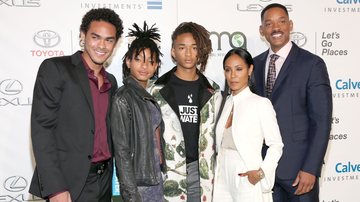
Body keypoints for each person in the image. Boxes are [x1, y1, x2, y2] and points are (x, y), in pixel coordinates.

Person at [29, 8, 123, 202]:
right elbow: (42, 131)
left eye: (109, 40)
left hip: (104, 180)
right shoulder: (56, 68)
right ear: (82, 35)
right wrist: (55, 189)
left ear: (115, 43)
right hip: (69, 182)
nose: (102, 45)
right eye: (96, 37)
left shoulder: (111, 82)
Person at [253, 3, 332, 202]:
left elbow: (321, 122)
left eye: (281, 21)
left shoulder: (312, 64)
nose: (276, 28)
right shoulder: (254, 65)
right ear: (262, 31)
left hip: (299, 173)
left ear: (290, 25)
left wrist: (310, 168)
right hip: (265, 173)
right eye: (269, 23)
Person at [149, 22, 221, 202]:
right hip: (169, 174)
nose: (188, 54)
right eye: (182, 47)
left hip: (202, 174)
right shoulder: (156, 91)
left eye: (194, 47)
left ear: (201, 51)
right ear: (173, 51)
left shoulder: (213, 91)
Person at [212, 48, 283, 202]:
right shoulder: (221, 103)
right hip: (222, 176)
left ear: (250, 70)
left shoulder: (260, 103)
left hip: (247, 175)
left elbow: (276, 145)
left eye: (239, 69)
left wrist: (261, 172)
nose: (233, 76)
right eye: (228, 70)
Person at [111, 21, 165, 202]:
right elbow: (121, 151)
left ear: (157, 65)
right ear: (128, 61)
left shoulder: (148, 96)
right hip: (139, 184)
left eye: (151, 61)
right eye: (138, 59)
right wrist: (131, 194)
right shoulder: (123, 97)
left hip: (155, 178)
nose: (144, 66)